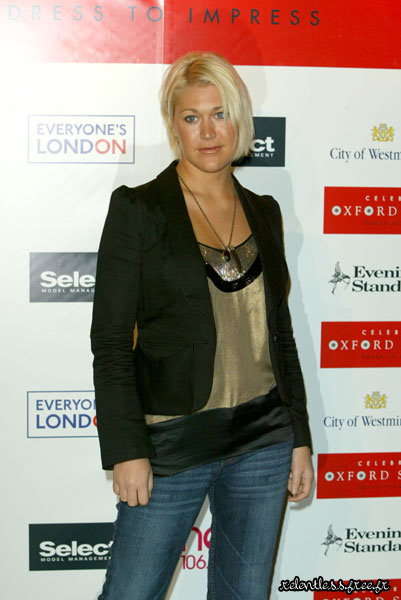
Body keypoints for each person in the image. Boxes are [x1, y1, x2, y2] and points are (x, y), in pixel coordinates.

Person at [90, 50, 314, 600]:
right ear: (174, 125)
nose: (208, 132)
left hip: (263, 438)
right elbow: (111, 342)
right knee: (131, 592)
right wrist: (127, 449)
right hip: (172, 441)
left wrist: (299, 438)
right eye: (192, 117)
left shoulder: (264, 210)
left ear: (240, 121)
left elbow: (280, 335)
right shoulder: (139, 209)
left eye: (220, 114)